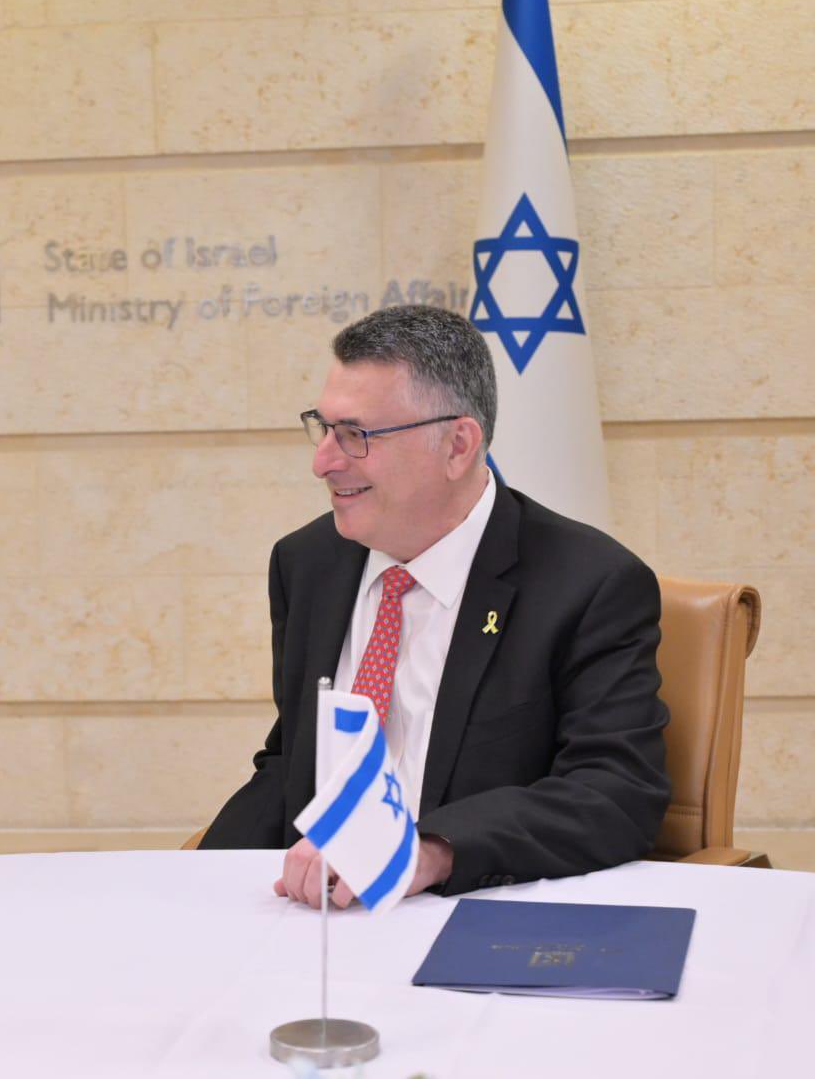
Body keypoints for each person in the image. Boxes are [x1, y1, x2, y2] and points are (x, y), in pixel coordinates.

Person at [200, 305, 669, 907]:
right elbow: (295, 758)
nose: (323, 462)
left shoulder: (588, 584)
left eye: (356, 435)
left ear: (457, 445)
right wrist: (193, 888)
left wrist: (425, 850)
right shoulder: (307, 563)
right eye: (324, 428)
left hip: (475, 912)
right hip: (318, 920)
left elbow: (613, 792)